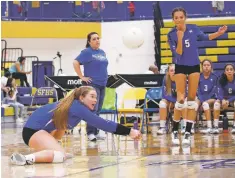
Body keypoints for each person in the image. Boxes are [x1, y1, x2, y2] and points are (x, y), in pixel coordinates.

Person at [10, 86, 141, 166]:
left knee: (61, 152)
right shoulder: (77, 108)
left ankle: (47, 151)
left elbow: (60, 127)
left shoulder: (73, 109)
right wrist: (129, 132)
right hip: (33, 132)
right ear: (82, 98)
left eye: (96, 97)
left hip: (41, 132)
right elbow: (103, 124)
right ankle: (24, 159)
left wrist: (55, 143)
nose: (95, 100)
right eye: (92, 96)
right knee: (60, 156)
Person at [167, 7, 227, 145]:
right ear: (173, 20)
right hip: (180, 66)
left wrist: (218, 33)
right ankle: (175, 130)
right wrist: (180, 38)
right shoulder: (171, 34)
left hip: (194, 66)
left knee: (192, 100)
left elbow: (206, 37)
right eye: (176, 17)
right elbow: (179, 53)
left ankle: (187, 132)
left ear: (185, 17)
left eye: (181, 17)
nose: (179, 20)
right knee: (181, 99)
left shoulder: (194, 28)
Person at [73, 32, 109, 142]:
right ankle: (90, 133)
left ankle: (96, 132)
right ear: (89, 41)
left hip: (102, 84)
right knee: (92, 109)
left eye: (98, 38)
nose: (97, 40)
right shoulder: (86, 52)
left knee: (98, 110)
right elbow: (75, 62)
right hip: (92, 85)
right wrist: (81, 76)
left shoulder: (102, 52)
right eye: (94, 39)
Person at [195, 59, 219, 134]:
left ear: (211, 66)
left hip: (212, 98)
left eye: (208, 65)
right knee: (194, 105)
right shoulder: (198, 76)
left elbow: (214, 90)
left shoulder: (215, 77)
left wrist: (205, 100)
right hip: (201, 98)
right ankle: (192, 126)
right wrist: (202, 100)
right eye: (204, 65)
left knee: (206, 104)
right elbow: (197, 90)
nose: (206, 67)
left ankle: (211, 127)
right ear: (202, 67)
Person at [214, 63, 235, 134]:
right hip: (223, 100)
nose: (229, 71)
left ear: (234, 71)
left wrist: (228, 101)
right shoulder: (221, 80)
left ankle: (234, 126)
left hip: (232, 100)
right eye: (227, 70)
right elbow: (218, 92)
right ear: (224, 72)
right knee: (216, 104)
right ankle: (216, 127)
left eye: (231, 69)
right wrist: (222, 100)